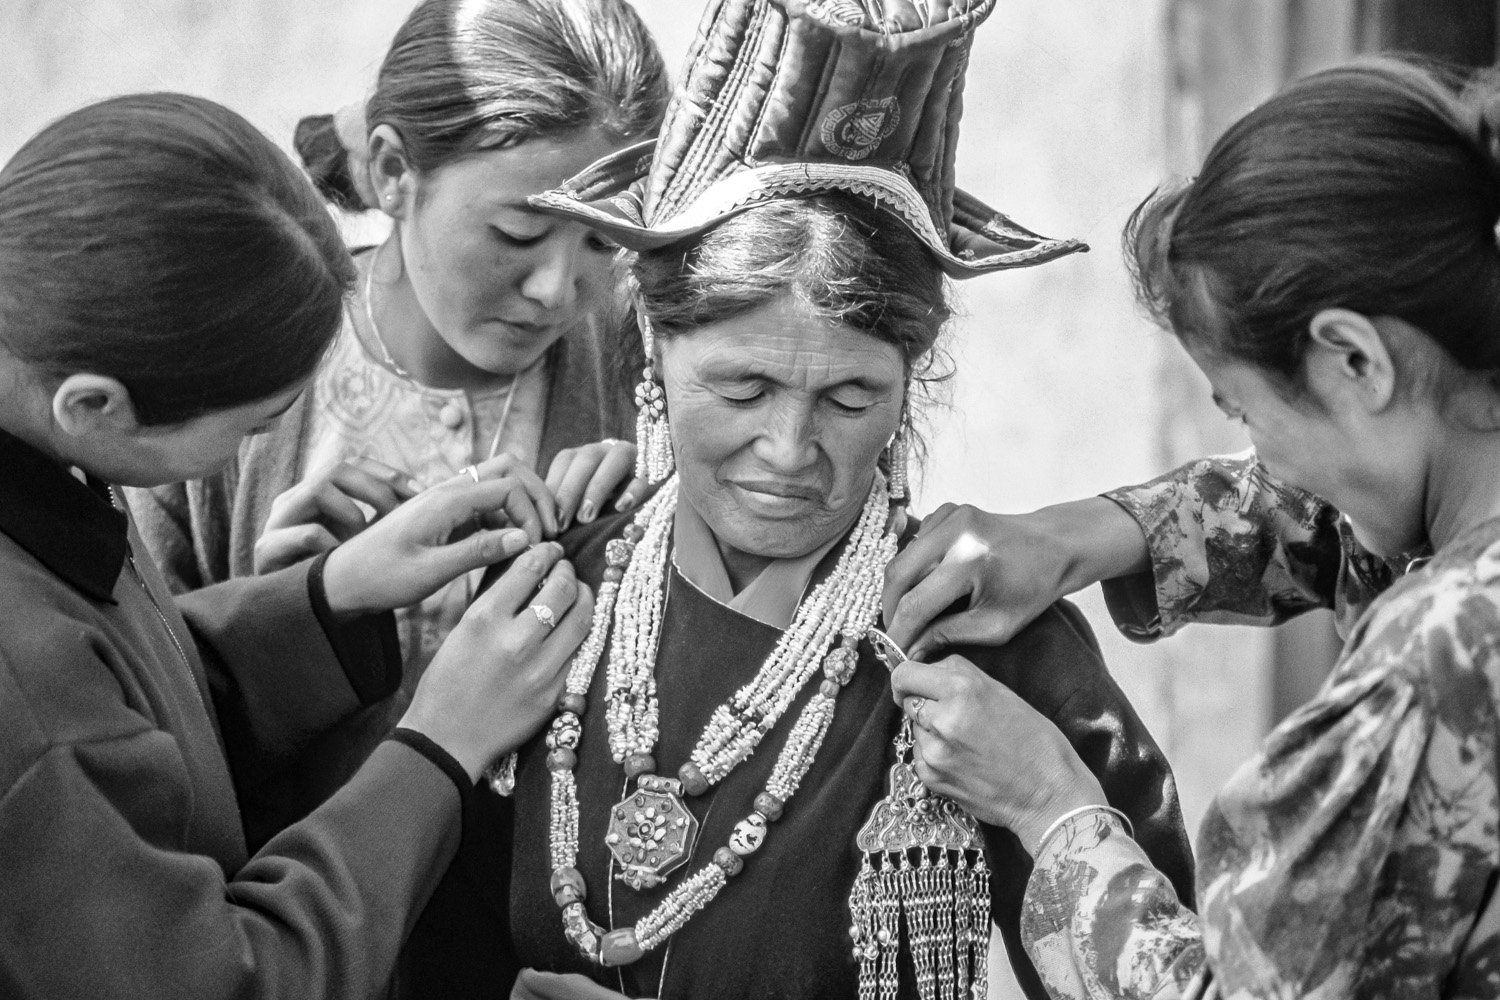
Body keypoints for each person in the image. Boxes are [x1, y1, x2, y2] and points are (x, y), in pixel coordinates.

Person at [398, 3, 1193, 998]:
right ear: (653, 348)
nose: (788, 450)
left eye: (851, 398)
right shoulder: (544, 609)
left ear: (910, 386)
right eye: (740, 389)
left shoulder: (992, 653)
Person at [882, 57, 1500, 998]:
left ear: (1353, 359)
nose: (1266, 461)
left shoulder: (1438, 661)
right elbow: (1336, 526)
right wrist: (1085, 533)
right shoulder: (1456, 459)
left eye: (1248, 412)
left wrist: (1045, 801)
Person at [0, 92, 595, 999]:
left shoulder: (45, 450)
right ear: (93, 406)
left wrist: (325, 600)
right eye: (249, 430)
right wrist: (441, 739)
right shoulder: (23, 681)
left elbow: (126, 710)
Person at [125, 0, 670, 843]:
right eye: (519, 231)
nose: (558, 292)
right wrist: (279, 619)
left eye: (605, 243)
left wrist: (665, 525)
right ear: (391, 171)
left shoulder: (652, 375)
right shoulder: (240, 375)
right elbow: (132, 725)